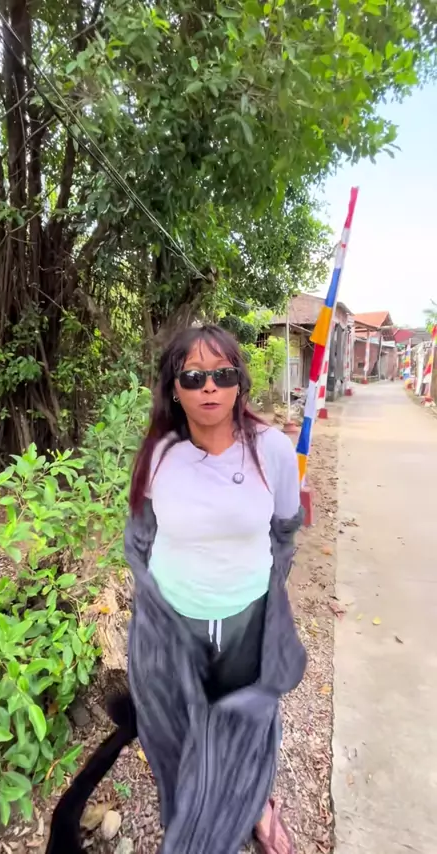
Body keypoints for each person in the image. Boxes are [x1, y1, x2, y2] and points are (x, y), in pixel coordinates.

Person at [125, 324, 306, 854]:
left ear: (238, 383)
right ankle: (191, 804)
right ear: (174, 388)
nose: (209, 387)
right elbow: (141, 536)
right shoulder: (159, 454)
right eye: (194, 376)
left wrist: (262, 597)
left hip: (246, 618)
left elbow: (285, 531)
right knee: (178, 723)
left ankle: (256, 805)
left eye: (222, 375)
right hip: (173, 623)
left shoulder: (271, 450)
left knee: (249, 724)